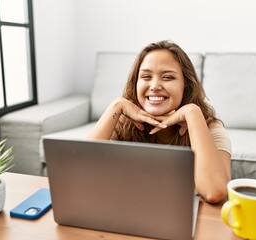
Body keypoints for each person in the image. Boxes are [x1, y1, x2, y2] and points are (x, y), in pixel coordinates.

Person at [87, 40, 231, 203]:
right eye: (146, 77)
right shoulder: (122, 122)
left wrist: (193, 113)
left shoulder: (210, 128)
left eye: (168, 77)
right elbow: (80, 173)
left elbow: (215, 192)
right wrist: (116, 105)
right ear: (135, 84)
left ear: (186, 86)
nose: (155, 86)